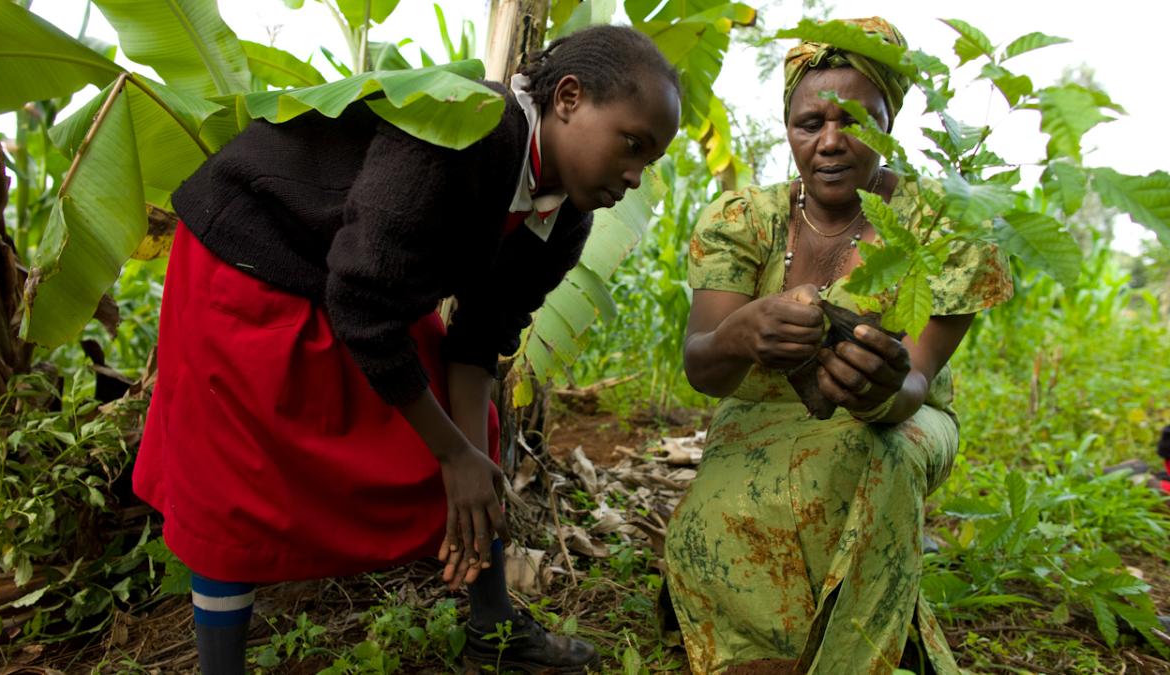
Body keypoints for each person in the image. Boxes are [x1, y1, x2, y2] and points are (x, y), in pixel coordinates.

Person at [135, 25, 680, 674]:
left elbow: (477, 343)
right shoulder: (468, 129)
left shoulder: (566, 218)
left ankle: (492, 627)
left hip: (352, 281)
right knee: (236, 484)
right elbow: (363, 302)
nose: (636, 176)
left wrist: (469, 460)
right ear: (568, 98)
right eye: (632, 144)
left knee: (472, 449)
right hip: (248, 258)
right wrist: (451, 451)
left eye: (650, 161)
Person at [663, 17, 1013, 674]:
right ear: (787, 127)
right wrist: (742, 331)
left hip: (902, 419)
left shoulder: (941, 223)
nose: (829, 142)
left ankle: (856, 658)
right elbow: (703, 368)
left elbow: (915, 384)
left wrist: (882, 388)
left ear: (890, 121)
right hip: (760, 415)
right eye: (808, 123)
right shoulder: (744, 220)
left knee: (884, 452)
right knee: (713, 521)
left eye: (855, 121)